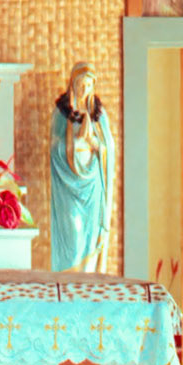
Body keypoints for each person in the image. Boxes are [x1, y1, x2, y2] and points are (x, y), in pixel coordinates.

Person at [49, 62, 113, 272]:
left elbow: (108, 147)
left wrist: (95, 144)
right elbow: (53, 148)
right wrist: (76, 142)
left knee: (90, 234)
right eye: (80, 84)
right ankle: (69, 282)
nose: (84, 89)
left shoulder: (98, 115)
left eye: (88, 85)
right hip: (68, 185)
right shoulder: (62, 113)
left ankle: (86, 284)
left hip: (92, 184)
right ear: (72, 84)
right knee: (74, 233)